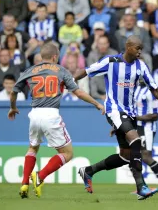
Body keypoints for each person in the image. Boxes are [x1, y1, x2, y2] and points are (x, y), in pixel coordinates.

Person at [74, 35, 158, 200]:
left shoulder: (141, 66)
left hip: (130, 114)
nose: (140, 52)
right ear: (128, 47)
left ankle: (88, 171)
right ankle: (141, 187)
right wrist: (69, 81)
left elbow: (154, 88)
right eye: (137, 48)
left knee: (126, 156)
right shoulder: (111, 61)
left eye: (141, 49)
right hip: (114, 110)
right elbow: (87, 71)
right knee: (136, 141)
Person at [7, 43, 104, 199]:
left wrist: (12, 107)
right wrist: (97, 103)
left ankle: (24, 183)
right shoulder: (61, 71)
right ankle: (40, 176)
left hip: (34, 115)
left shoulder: (29, 71)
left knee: (32, 148)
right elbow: (78, 92)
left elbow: (13, 92)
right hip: (51, 115)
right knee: (67, 153)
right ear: (54, 57)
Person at [133, 77, 158, 186]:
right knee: (135, 156)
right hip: (136, 127)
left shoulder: (152, 92)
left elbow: (155, 115)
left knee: (146, 156)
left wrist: (136, 118)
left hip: (147, 128)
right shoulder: (136, 89)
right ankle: (141, 187)